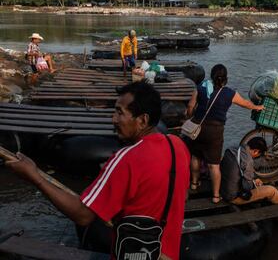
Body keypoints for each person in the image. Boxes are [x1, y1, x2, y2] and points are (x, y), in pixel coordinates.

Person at [6, 81, 190, 260]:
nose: (113, 119)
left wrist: (34, 176)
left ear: (142, 120)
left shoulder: (126, 159)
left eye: (120, 112)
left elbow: (83, 215)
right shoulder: (178, 146)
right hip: (167, 253)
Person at [186, 64, 264, 204]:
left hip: (197, 129)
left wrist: (190, 117)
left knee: (196, 156)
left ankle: (194, 183)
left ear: (212, 75)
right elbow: (246, 103)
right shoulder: (229, 93)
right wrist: (257, 107)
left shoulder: (201, 88)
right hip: (215, 131)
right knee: (214, 165)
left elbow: (190, 107)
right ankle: (216, 196)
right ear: (225, 78)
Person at [221, 137, 278, 205]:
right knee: (272, 191)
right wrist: (254, 184)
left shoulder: (231, 149)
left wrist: (253, 178)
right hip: (233, 197)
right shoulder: (248, 161)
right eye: (258, 155)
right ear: (256, 151)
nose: (256, 157)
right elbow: (247, 187)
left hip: (222, 190)